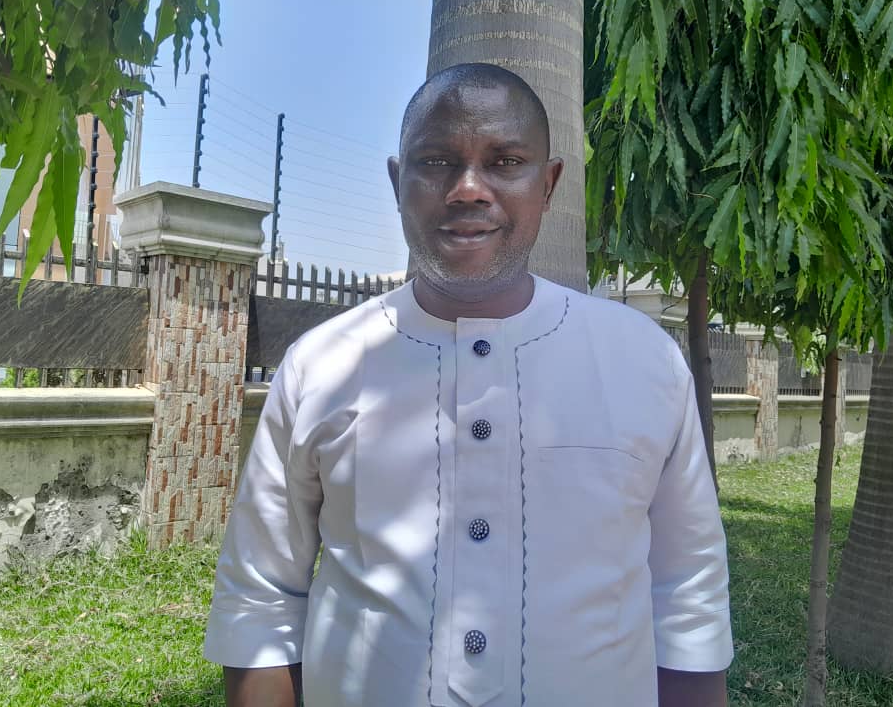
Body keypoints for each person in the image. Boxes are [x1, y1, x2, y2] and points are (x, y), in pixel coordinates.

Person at [204, 63, 733, 707]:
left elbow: (688, 598)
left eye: (506, 162)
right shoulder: (320, 366)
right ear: (398, 182)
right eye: (436, 162)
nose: (468, 189)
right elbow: (261, 600)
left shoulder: (641, 361)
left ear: (549, 184)